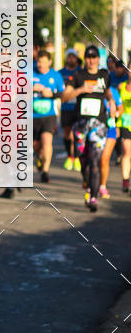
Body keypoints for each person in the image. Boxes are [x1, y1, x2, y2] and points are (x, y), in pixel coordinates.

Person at [62, 45, 114, 212]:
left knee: (95, 161)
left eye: (94, 57)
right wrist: (80, 90)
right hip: (81, 124)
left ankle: (93, 197)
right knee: (83, 160)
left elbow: (108, 92)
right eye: (88, 57)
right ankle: (87, 182)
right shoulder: (78, 75)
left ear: (98, 59)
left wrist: (111, 101)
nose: (91, 61)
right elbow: (64, 97)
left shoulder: (104, 75)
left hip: (99, 124)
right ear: (85, 59)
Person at [32, 50, 64, 184]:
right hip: (32, 115)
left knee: (47, 141)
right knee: (35, 145)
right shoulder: (30, 73)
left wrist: (52, 95)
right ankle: (39, 157)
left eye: (44, 62)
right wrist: (32, 88)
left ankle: (45, 171)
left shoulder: (56, 76)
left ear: (49, 62)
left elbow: (62, 94)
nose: (41, 65)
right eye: (39, 62)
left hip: (49, 114)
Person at [98, 84, 122, 198]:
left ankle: (102, 186)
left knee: (104, 158)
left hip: (110, 128)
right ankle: (91, 182)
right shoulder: (92, 88)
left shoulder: (113, 91)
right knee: (94, 159)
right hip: (95, 127)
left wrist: (115, 114)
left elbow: (121, 109)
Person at [59, 48, 81, 171]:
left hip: (78, 107)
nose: (71, 59)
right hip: (66, 106)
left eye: (73, 57)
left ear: (76, 58)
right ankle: (69, 156)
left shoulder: (80, 71)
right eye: (69, 56)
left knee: (77, 133)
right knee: (67, 133)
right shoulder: (60, 73)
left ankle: (76, 157)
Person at [116, 68, 131, 192]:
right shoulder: (121, 86)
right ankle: (126, 180)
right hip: (125, 122)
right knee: (127, 151)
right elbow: (116, 104)